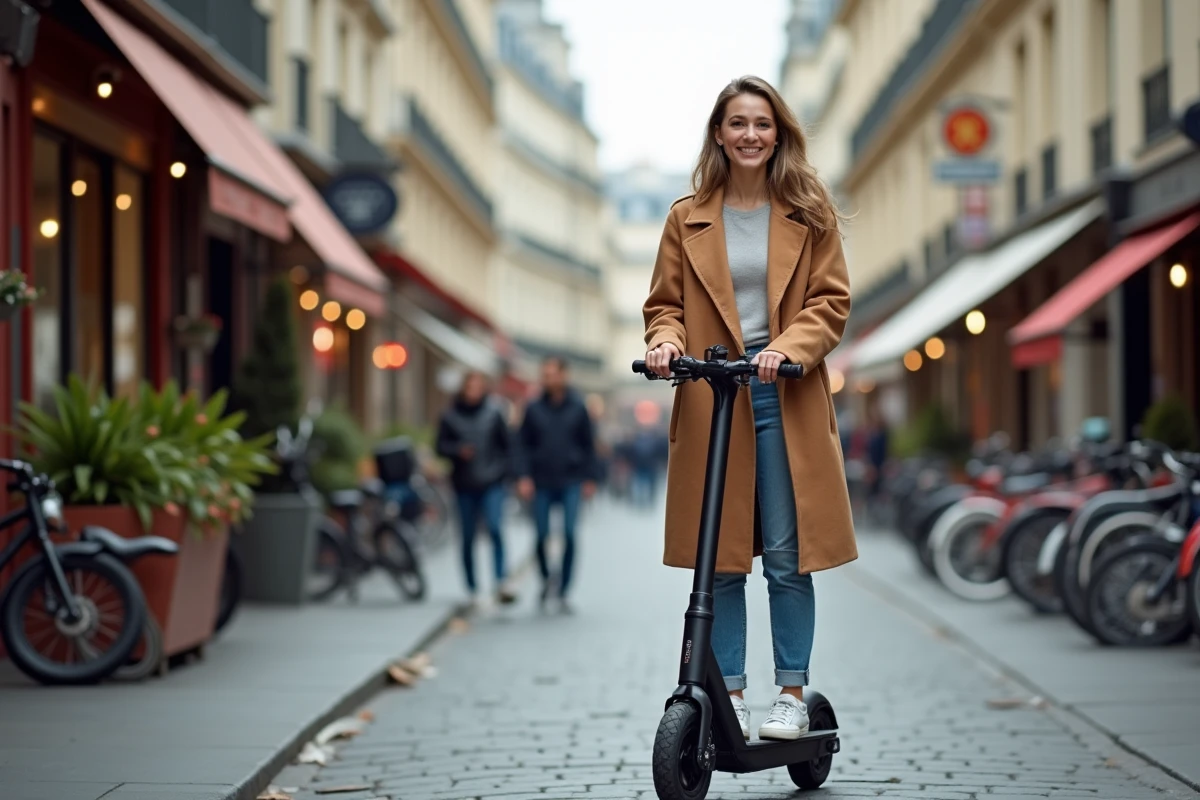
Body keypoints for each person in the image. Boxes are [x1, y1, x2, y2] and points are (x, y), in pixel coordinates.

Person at [642, 75, 857, 742]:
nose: (750, 135)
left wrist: (787, 347)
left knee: (789, 558)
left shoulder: (807, 210)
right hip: (714, 396)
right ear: (718, 132)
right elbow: (665, 305)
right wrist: (665, 343)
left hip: (784, 393)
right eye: (738, 123)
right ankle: (728, 695)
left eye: (762, 123)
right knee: (724, 557)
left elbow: (830, 302)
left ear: (778, 132)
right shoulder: (687, 217)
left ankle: (791, 693)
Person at [515, 356, 599, 612]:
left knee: (570, 535)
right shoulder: (533, 408)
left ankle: (563, 590)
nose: (548, 378)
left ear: (564, 375)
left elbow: (589, 445)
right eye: (545, 374)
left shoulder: (578, 406)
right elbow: (522, 445)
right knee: (541, 535)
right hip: (540, 480)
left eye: (552, 374)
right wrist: (523, 476)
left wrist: (590, 478)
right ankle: (545, 578)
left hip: (571, 479)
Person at [435, 370, 518, 606]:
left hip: (492, 481)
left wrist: (506, 473)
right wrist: (457, 451)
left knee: (494, 527)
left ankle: (501, 579)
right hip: (463, 483)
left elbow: (507, 445)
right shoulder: (449, 415)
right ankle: (472, 586)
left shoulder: (494, 412)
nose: (473, 391)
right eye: (469, 387)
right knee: (468, 535)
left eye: (477, 386)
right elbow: (440, 446)